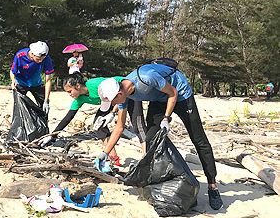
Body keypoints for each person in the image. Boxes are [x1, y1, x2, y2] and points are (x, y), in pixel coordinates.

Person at [96, 63, 223, 210]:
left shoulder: (147, 78)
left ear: (118, 95)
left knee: (198, 139)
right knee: (150, 139)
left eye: (112, 103)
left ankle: (212, 186)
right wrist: (104, 153)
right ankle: (170, 178)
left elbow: (173, 93)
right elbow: (120, 127)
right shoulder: (123, 96)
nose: (113, 105)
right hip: (159, 99)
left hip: (180, 93)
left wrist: (166, 118)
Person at [38, 73, 146, 166]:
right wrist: (52, 136)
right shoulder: (79, 99)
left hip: (127, 93)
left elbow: (121, 83)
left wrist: (114, 112)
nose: (69, 95)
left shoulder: (94, 84)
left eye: (70, 91)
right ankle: (113, 157)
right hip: (110, 102)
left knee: (138, 126)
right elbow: (68, 117)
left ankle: (146, 158)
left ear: (78, 86)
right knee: (99, 126)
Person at [10, 41, 54, 115]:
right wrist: (13, 80)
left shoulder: (46, 58)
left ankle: (42, 125)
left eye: (42, 59)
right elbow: (12, 71)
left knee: (43, 107)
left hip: (36, 83)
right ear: (32, 54)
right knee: (19, 106)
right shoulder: (20, 55)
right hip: (21, 83)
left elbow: (48, 80)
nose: (40, 61)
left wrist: (46, 100)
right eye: (38, 59)